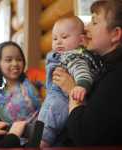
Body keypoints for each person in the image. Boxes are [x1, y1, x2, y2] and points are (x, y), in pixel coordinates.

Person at [52, 0, 122, 146]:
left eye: (94, 22)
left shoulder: (116, 77)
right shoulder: (102, 65)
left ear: (115, 34)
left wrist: (73, 91)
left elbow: (84, 135)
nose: (86, 28)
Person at [38, 16, 103, 147]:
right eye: (55, 38)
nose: (58, 42)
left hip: (62, 100)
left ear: (80, 40)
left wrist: (80, 86)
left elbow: (82, 72)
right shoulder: (66, 54)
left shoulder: (74, 56)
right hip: (62, 102)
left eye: (64, 37)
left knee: (47, 126)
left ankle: (42, 142)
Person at [0, 41, 41, 125]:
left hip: (44, 132)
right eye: (8, 60)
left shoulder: (33, 75)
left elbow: (52, 87)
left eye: (19, 59)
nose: (15, 63)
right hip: (14, 137)